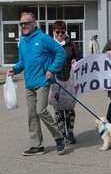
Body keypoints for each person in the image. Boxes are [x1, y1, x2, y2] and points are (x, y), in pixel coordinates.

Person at [7, 12, 67, 156]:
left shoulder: (44, 38)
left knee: (41, 111)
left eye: (27, 23)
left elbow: (61, 52)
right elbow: (23, 62)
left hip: (42, 81)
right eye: (22, 24)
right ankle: (37, 146)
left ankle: (59, 137)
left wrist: (52, 70)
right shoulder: (22, 42)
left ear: (34, 23)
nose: (24, 26)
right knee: (32, 114)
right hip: (29, 83)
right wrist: (14, 69)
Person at [52, 20, 81, 144]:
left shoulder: (71, 44)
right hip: (54, 79)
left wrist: (75, 60)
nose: (60, 34)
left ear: (66, 31)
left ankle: (70, 132)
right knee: (58, 109)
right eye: (57, 32)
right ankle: (62, 133)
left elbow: (78, 56)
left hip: (69, 79)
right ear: (53, 31)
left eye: (62, 32)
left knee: (69, 108)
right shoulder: (49, 43)